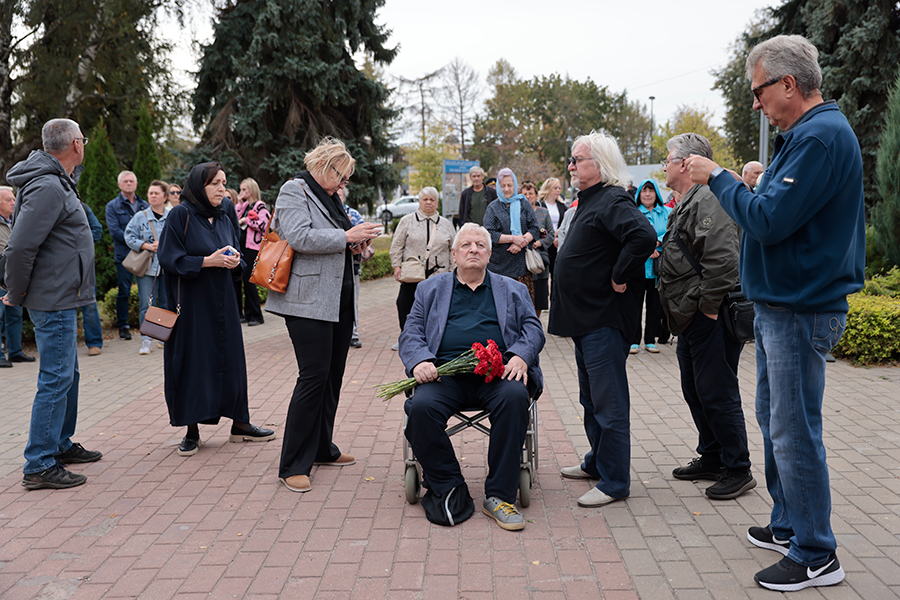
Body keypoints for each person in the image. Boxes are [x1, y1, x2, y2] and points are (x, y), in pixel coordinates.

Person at [686, 34, 864, 592]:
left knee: (793, 431)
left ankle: (816, 552)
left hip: (799, 308)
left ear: (789, 83)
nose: (755, 103)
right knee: (775, 420)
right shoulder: (804, 136)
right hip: (781, 306)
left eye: (759, 91)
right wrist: (753, 188)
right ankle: (789, 523)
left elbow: (765, 221)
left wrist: (717, 177)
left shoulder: (819, 137)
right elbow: (770, 207)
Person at [401, 223, 544, 530]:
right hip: (444, 376)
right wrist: (420, 362)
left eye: (480, 245)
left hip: (499, 374)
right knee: (420, 408)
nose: (473, 250)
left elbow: (533, 329)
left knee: (515, 396)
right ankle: (449, 483)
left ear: (490, 254)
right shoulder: (430, 289)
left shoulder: (513, 289)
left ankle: (499, 496)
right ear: (454, 253)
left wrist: (520, 355)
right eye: (466, 245)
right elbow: (410, 332)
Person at [265, 137, 381, 493]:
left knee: (332, 376)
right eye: (342, 177)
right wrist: (346, 235)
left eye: (347, 179)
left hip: (337, 299)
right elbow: (300, 237)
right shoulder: (293, 190)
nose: (345, 184)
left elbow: (336, 239)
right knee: (313, 377)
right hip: (306, 300)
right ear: (324, 167)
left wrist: (359, 245)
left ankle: (321, 448)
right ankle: (292, 464)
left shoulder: (330, 196)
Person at [549, 131, 656, 508]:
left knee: (609, 403)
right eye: (573, 159)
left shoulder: (611, 197)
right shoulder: (589, 200)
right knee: (591, 399)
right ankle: (598, 462)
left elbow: (643, 236)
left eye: (578, 159)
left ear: (600, 164)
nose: (571, 166)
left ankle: (615, 482)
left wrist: (620, 274)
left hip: (603, 320)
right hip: (585, 320)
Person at [4, 118, 102, 489]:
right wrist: (16, 291)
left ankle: (59, 443)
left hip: (61, 293)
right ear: (75, 144)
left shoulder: (57, 181)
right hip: (52, 297)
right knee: (56, 378)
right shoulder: (48, 185)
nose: (85, 146)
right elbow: (20, 247)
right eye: (84, 140)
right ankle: (40, 463)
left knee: (68, 375)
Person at [658, 134, 755, 501]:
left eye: (668, 159)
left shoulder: (709, 196)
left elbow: (723, 259)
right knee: (696, 387)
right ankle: (713, 455)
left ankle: (738, 468)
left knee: (717, 391)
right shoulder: (691, 198)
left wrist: (709, 306)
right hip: (693, 315)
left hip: (710, 313)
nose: (664, 165)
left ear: (686, 163)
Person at [157, 162, 275, 457]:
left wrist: (237, 263)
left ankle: (240, 423)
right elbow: (169, 258)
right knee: (194, 364)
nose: (223, 189)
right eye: (215, 184)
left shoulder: (225, 215)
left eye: (224, 183)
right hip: (192, 306)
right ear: (199, 186)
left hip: (224, 304)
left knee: (231, 362)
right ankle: (191, 430)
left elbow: (237, 252)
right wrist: (205, 262)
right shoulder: (180, 215)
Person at [389, 186, 456, 349]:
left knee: (436, 309)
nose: (428, 202)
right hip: (412, 275)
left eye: (432, 200)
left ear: (437, 203)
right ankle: (406, 337)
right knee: (404, 305)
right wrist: (396, 266)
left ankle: (433, 339)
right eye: (425, 199)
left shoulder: (446, 224)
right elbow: (397, 245)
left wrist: (453, 272)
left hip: (438, 275)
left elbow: (453, 250)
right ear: (419, 201)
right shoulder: (407, 221)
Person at [125, 180, 170, 356]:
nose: (152, 196)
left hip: (167, 267)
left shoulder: (172, 216)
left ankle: (163, 337)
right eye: (150, 193)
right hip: (147, 268)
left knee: (166, 304)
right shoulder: (140, 217)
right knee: (146, 304)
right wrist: (146, 245)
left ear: (164, 197)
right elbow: (128, 236)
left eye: (156, 193)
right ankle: (146, 340)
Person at [483, 168, 540, 302]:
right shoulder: (493, 207)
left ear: (515, 185)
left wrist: (521, 244)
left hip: (522, 267)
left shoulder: (524, 203)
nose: (507, 189)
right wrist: (514, 239)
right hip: (498, 267)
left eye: (510, 185)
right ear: (498, 186)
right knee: (500, 306)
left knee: (521, 307)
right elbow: (489, 234)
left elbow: (535, 229)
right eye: (503, 186)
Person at [629, 179, 670, 354]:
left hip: (658, 267)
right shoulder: (634, 212)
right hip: (638, 266)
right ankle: (634, 340)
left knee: (655, 305)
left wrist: (657, 243)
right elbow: (631, 233)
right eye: (644, 190)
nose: (647, 194)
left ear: (657, 194)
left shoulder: (667, 212)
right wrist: (647, 247)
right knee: (635, 305)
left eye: (651, 191)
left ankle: (650, 339)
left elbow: (671, 231)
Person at [106, 170, 148, 340]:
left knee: (147, 292)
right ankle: (123, 326)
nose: (129, 183)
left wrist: (143, 244)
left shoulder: (145, 205)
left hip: (145, 256)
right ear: (119, 185)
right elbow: (115, 231)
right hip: (125, 255)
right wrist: (137, 242)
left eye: (131, 181)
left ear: (136, 184)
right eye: (125, 181)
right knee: (124, 291)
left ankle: (148, 325)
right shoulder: (112, 206)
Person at [1, 186, 37, 367]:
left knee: (14, 315)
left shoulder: (17, 221)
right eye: (9, 200)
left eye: (14, 199)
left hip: (13, 277)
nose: (14, 203)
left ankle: (15, 352)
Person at [339, 186, 373, 348]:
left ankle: (353, 334)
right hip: (331, 266)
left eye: (340, 195)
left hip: (352, 264)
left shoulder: (353, 214)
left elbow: (365, 236)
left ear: (344, 197)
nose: (337, 197)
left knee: (352, 301)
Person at [234, 178, 269, 326]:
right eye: (241, 189)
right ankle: (247, 314)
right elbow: (235, 218)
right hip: (241, 247)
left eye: (244, 190)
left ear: (252, 190)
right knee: (244, 280)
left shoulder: (260, 206)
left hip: (252, 248)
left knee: (249, 280)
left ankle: (256, 315)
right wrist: (240, 203)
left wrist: (246, 221)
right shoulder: (245, 206)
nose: (242, 192)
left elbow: (264, 225)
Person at [521, 180, 554, 318]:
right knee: (524, 297)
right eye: (525, 194)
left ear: (536, 195)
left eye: (531, 193)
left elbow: (551, 234)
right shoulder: (518, 213)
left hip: (539, 261)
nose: (528, 196)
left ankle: (536, 323)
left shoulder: (543, 212)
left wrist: (539, 243)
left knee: (539, 298)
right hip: (522, 261)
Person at [79, 200, 105, 356]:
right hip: (58, 265)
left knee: (89, 303)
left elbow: (97, 229)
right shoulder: (48, 206)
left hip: (83, 264)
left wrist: (79, 245)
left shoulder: (82, 207)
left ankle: (94, 342)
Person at [537, 177, 567, 276]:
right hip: (543, 241)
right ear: (548, 189)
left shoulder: (562, 206)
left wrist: (557, 236)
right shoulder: (539, 204)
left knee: (556, 272)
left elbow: (565, 223)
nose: (558, 190)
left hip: (557, 243)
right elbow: (538, 224)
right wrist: (550, 236)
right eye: (555, 188)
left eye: (559, 188)